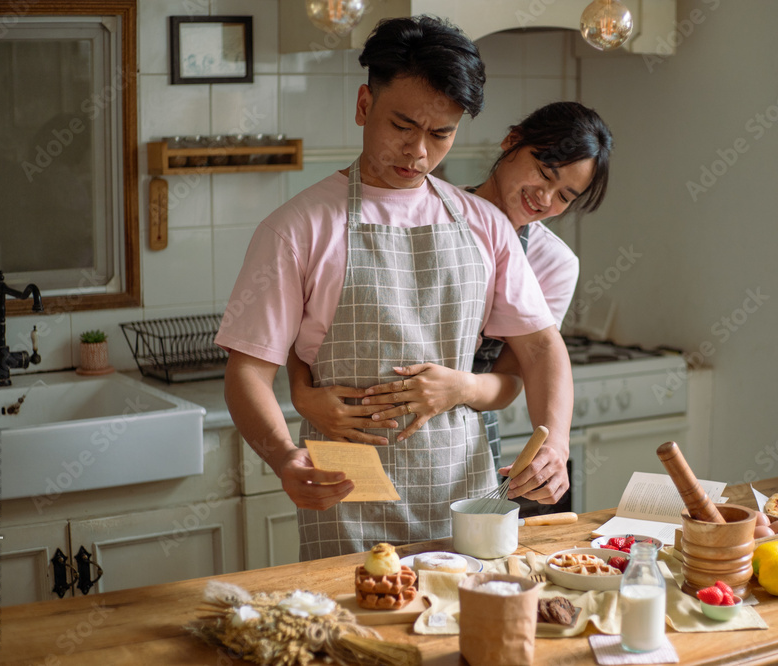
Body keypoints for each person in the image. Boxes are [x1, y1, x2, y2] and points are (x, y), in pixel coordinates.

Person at [215, 16, 574, 561]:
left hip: (465, 495)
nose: (419, 153)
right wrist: (284, 457)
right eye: (402, 126)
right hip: (348, 496)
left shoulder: (486, 224)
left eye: (441, 134)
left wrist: (556, 441)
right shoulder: (298, 227)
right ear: (364, 106)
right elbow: (246, 372)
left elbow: (542, 347)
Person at [290, 101, 613, 475]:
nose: (544, 198)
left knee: (464, 533)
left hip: (459, 437)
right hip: (357, 425)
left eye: (564, 197)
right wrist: (302, 394)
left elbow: (518, 374)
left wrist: (461, 389)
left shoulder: (554, 263)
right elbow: (314, 319)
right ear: (512, 141)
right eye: (544, 173)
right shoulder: (425, 210)